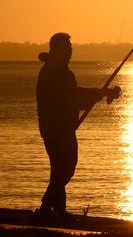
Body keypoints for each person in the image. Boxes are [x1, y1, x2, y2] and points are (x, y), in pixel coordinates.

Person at [34, 32, 121, 222]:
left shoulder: (54, 70)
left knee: (59, 168)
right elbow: (72, 98)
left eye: (71, 47)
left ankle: (57, 211)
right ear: (58, 49)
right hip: (58, 129)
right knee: (65, 168)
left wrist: (99, 94)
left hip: (56, 128)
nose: (71, 51)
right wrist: (99, 93)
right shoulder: (58, 73)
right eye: (68, 48)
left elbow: (73, 98)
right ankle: (45, 208)